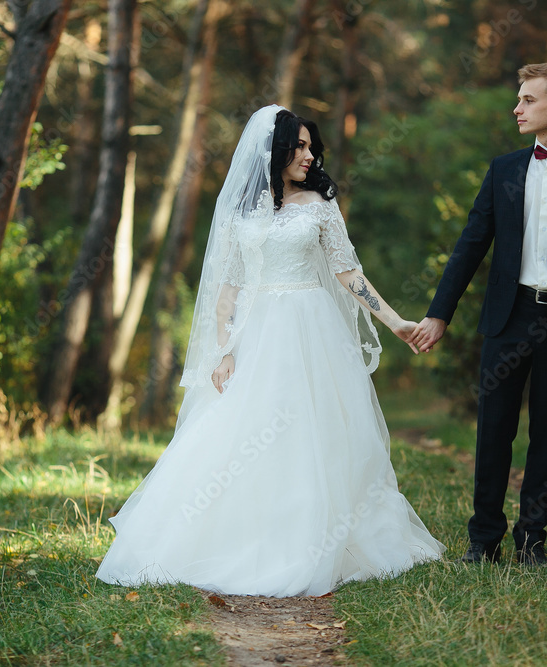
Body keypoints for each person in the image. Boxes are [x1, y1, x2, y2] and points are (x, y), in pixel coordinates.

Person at [96, 104, 445, 597]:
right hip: (259, 335)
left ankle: (321, 531)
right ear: (276, 150)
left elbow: (350, 275)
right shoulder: (243, 213)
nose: (308, 155)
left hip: (313, 328)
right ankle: (244, 532)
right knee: (246, 432)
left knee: (319, 429)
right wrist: (224, 352)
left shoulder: (321, 206)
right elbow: (227, 293)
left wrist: (396, 323)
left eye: (311, 147)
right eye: (298, 146)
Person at [411, 63, 547, 567]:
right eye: (518, 99)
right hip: (508, 318)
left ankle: (533, 542)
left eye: (528, 99)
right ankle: (482, 541)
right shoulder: (504, 169)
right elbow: (471, 245)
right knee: (493, 432)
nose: (517, 108)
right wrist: (439, 314)